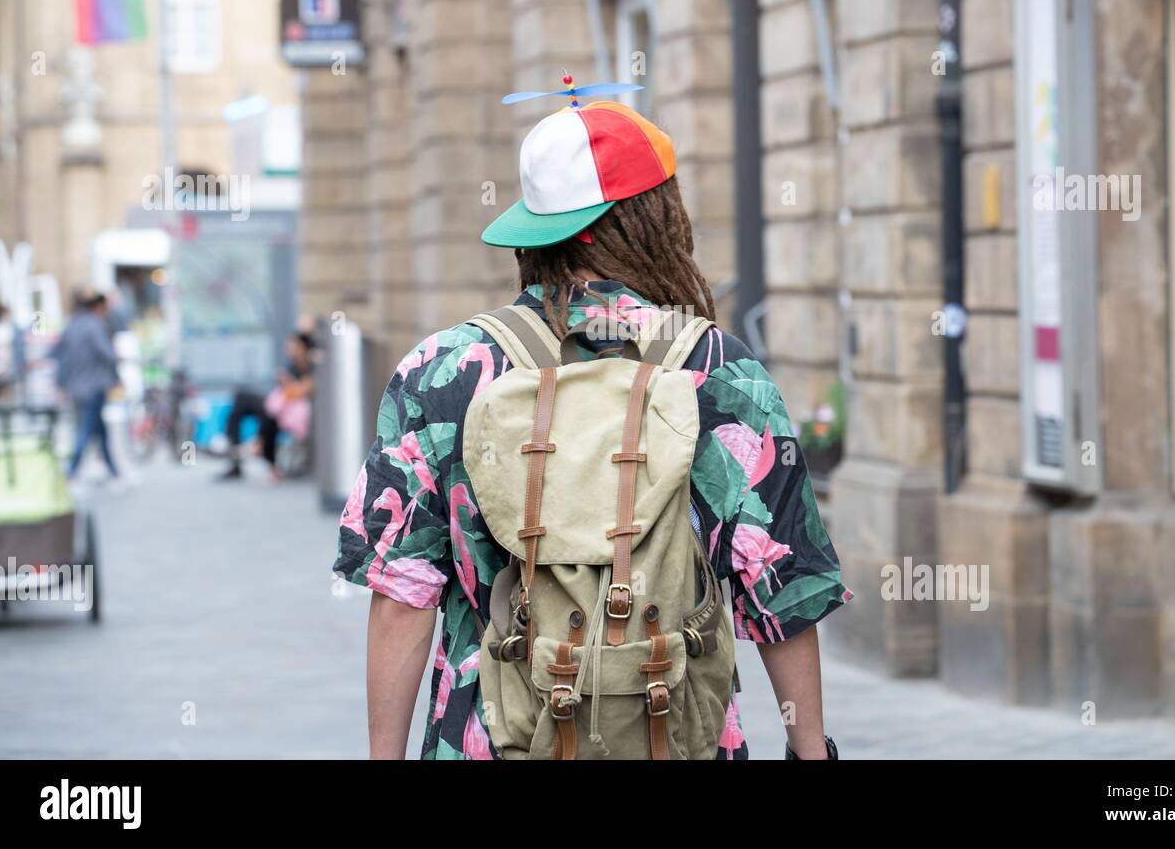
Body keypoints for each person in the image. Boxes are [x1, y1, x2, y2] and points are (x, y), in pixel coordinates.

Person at [335, 96, 852, 760]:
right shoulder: (716, 370)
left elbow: (402, 598)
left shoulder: (442, 372)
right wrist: (810, 750)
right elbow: (783, 590)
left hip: (493, 737)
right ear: (652, 220)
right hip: (674, 733)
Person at [217, 331, 315, 481]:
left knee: (264, 413)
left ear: (302, 347)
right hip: (281, 408)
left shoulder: (312, 368)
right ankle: (249, 448)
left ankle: (255, 447)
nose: (288, 350)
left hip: (290, 412)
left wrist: (287, 382)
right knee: (241, 399)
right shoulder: (292, 366)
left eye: (292, 346)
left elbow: (298, 392)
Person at [53, 288, 121, 481]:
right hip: (94, 386)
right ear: (98, 306)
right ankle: (72, 470)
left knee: (99, 429)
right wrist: (117, 373)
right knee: (85, 429)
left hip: (75, 387)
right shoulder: (95, 325)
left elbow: (58, 352)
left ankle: (113, 469)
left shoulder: (72, 324)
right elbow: (108, 354)